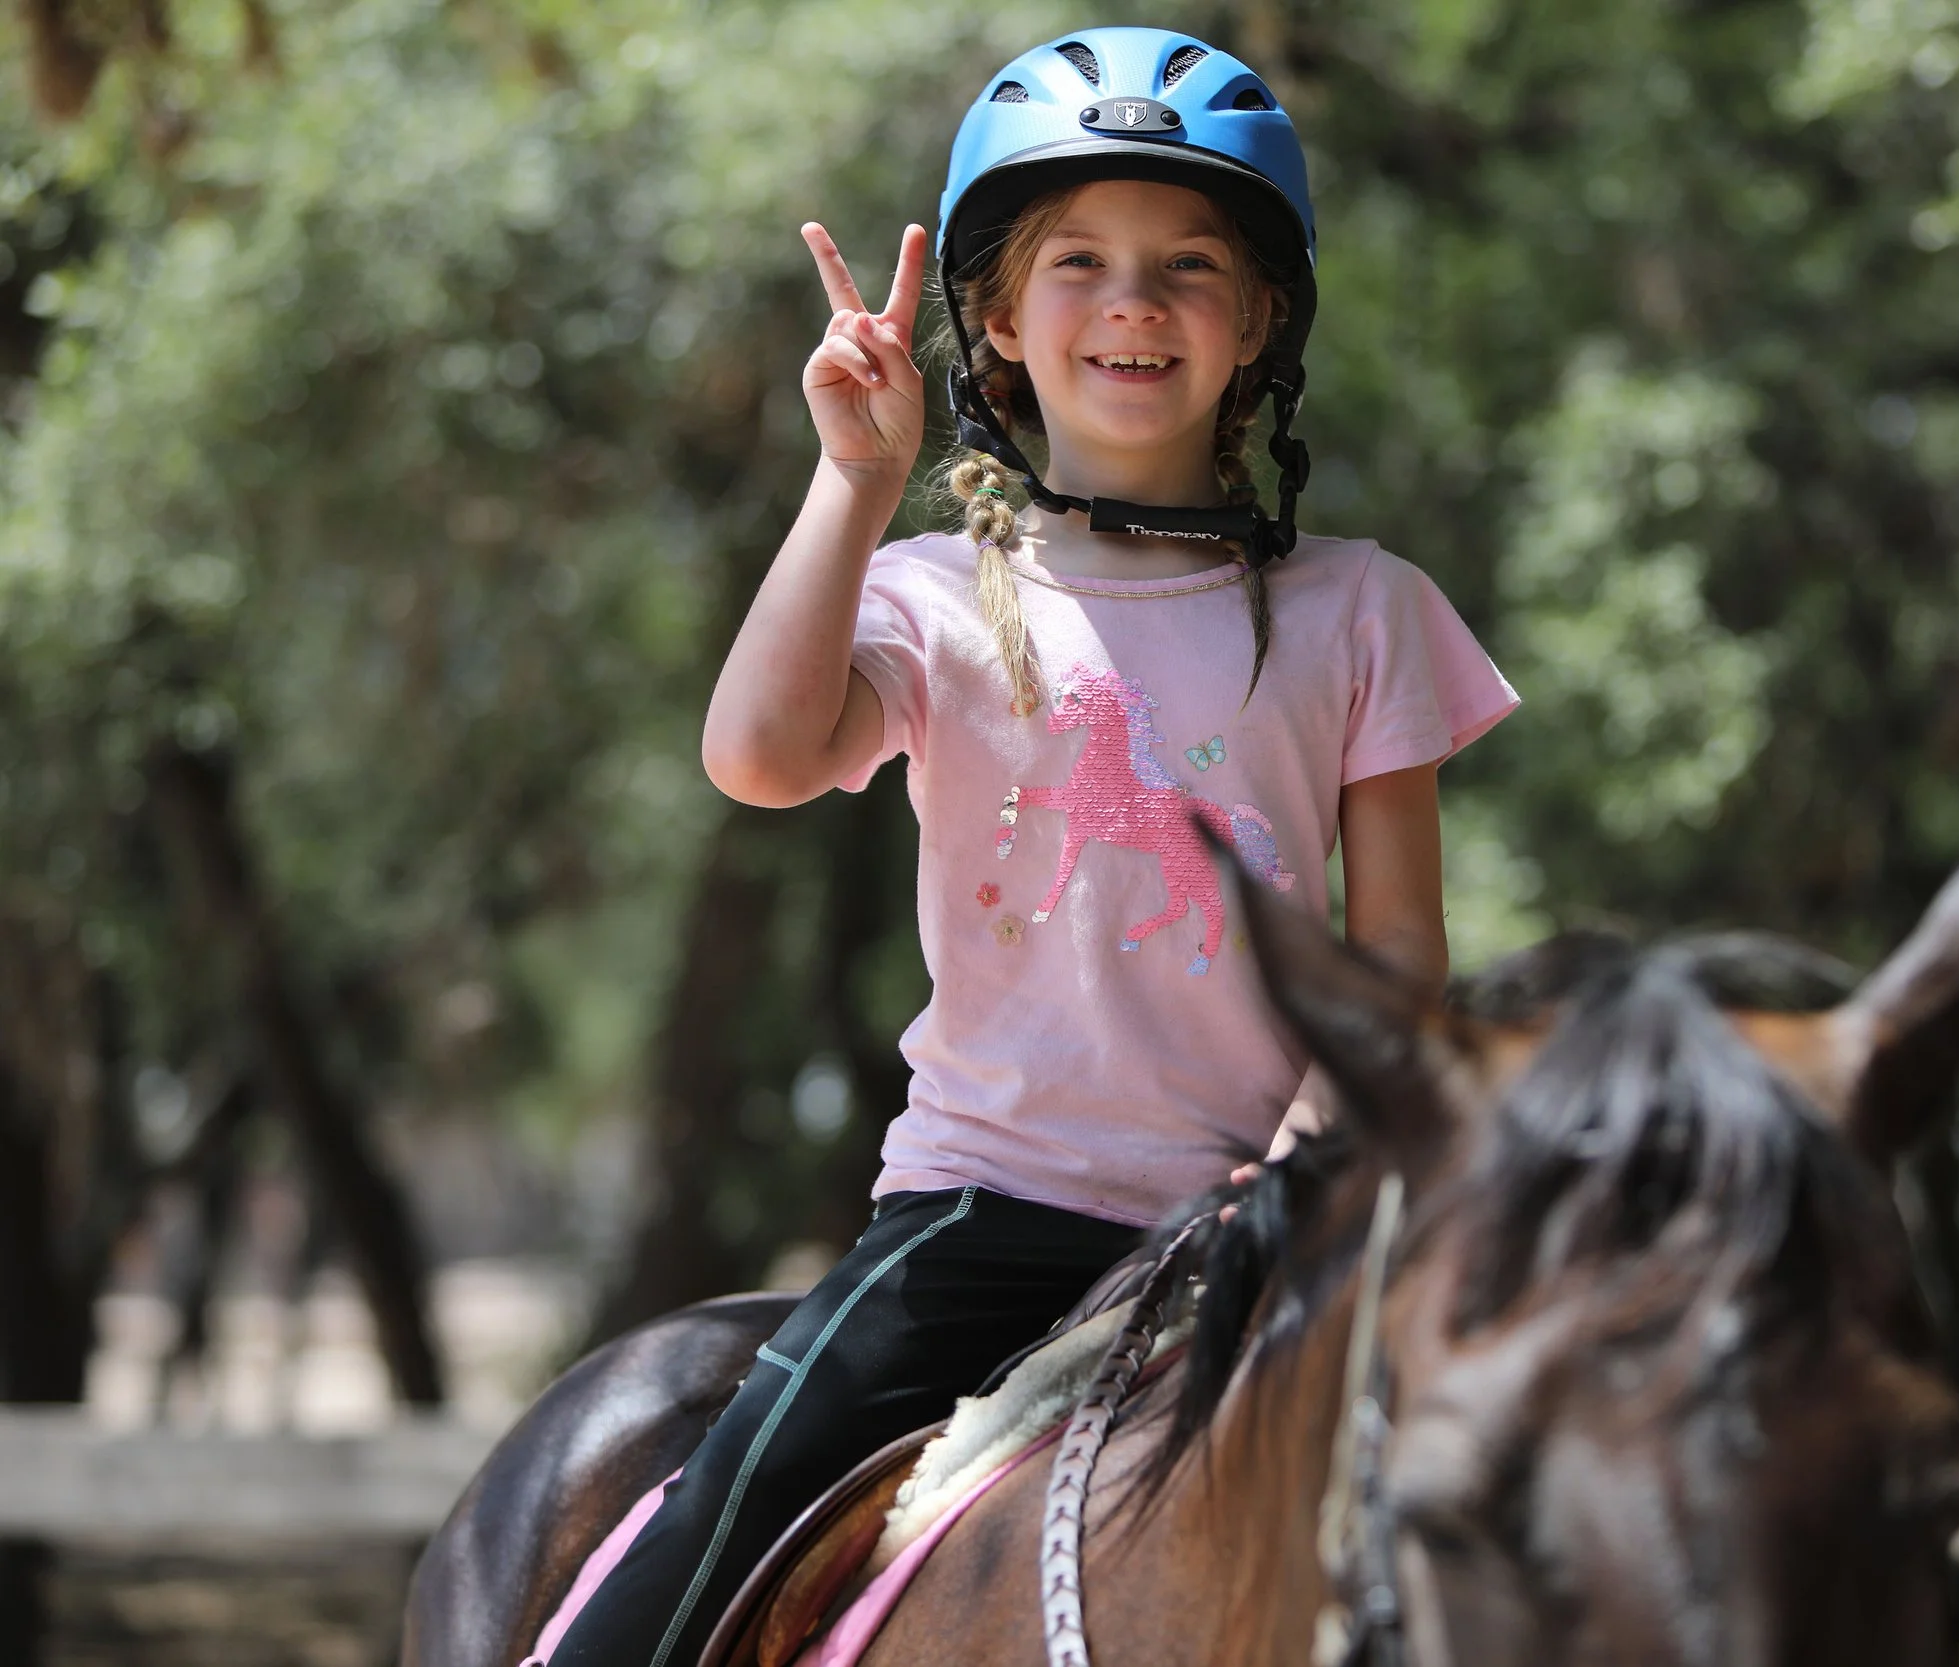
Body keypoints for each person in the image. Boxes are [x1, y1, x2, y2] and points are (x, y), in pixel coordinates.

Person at [543, 27, 1515, 1666]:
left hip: (1274, 1228)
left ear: (1261, 316)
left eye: (1191, 263)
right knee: (698, 1548)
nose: (1135, 301)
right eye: (1081, 262)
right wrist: (854, 484)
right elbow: (758, 756)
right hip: (985, 1218)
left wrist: (1305, 1149)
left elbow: (1400, 949)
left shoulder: (1367, 608)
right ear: (997, 316)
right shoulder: (928, 594)